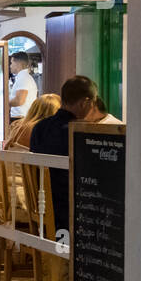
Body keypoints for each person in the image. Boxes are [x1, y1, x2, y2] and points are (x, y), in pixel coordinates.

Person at [30, 75, 99, 227]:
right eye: (93, 103)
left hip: (43, 205)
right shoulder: (78, 132)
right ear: (85, 102)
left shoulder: (39, 127)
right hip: (70, 210)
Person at [8, 51, 38, 120]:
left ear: (18, 64)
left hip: (20, 119)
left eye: (11, 63)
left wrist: (3, 101)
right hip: (21, 118)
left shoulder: (23, 77)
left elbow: (19, 100)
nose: (10, 66)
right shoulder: (23, 76)